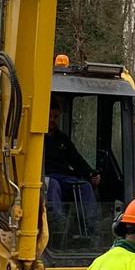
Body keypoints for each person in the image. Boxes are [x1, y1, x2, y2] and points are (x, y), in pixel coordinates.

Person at [44, 98, 101, 228]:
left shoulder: (62, 139)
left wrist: (91, 173)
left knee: (84, 186)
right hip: (44, 177)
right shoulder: (36, 138)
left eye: (55, 116)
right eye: (49, 116)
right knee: (53, 185)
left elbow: (76, 159)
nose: (52, 119)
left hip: (63, 177)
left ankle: (91, 226)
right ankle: (58, 224)